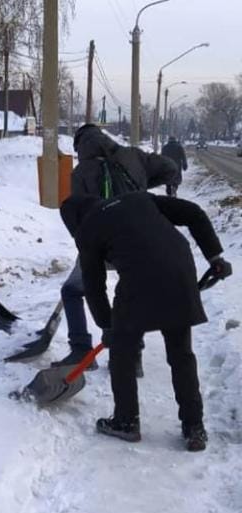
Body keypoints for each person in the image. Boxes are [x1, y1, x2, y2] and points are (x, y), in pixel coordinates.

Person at [60, 191, 232, 452]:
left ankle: (126, 422)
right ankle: (194, 428)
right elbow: (194, 213)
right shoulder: (136, 198)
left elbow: (94, 287)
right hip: (180, 270)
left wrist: (107, 325)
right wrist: (215, 257)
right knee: (181, 353)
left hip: (138, 280)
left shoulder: (87, 230)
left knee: (122, 354)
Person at [53, 123, 179, 370]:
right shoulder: (134, 156)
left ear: (81, 147)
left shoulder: (80, 173)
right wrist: (142, 186)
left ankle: (81, 350)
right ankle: (132, 358)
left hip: (104, 245)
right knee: (132, 295)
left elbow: (81, 217)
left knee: (72, 291)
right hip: (142, 242)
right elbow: (171, 169)